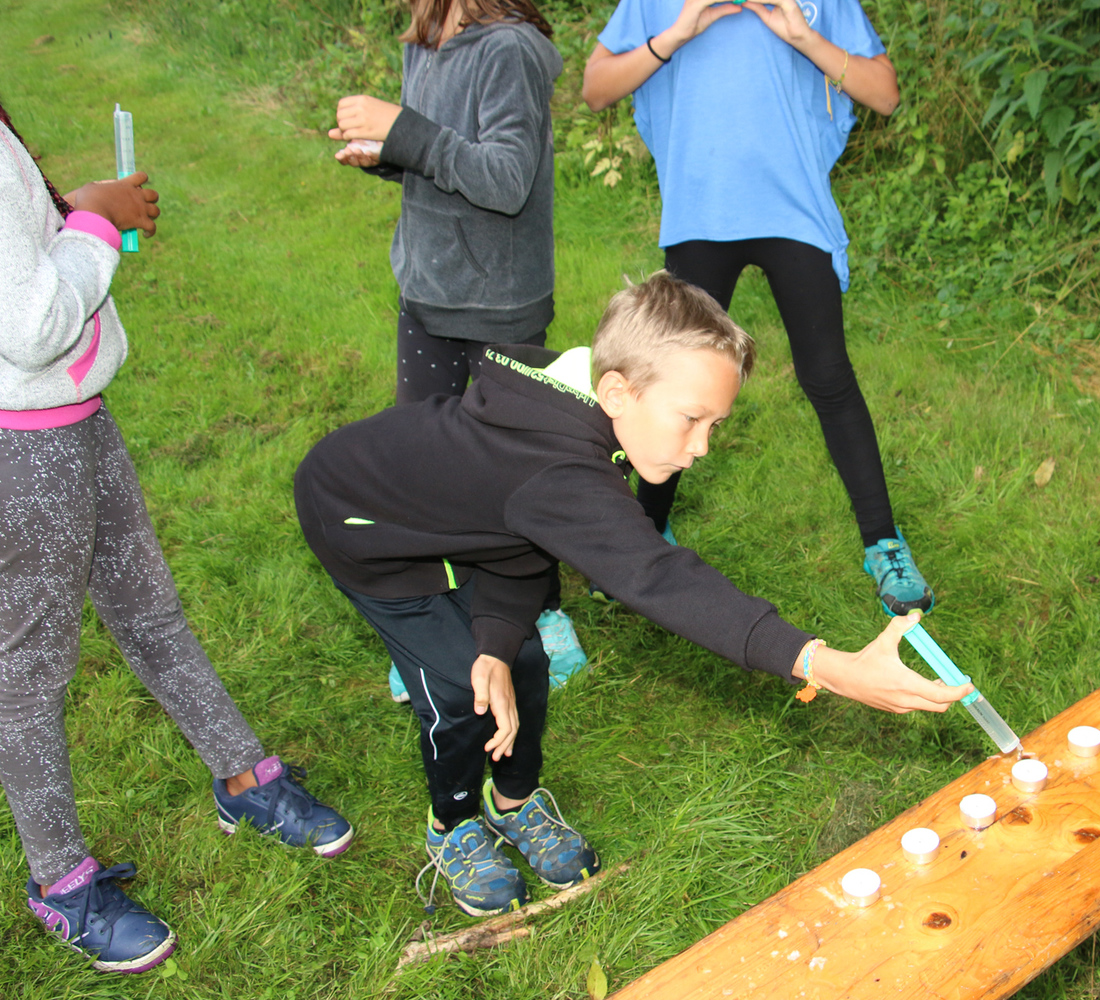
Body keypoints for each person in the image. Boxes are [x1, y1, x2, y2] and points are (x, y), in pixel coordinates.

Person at [294, 273, 969, 916]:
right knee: (454, 687)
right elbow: (657, 577)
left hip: (471, 527)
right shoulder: (556, 466)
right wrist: (824, 664)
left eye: (715, 425)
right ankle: (453, 822)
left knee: (520, 660)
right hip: (368, 533)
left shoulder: (575, 410)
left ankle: (514, 799)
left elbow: (521, 534)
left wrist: (498, 640)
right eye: (691, 419)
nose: (702, 447)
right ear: (618, 392)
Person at [0, 103, 352, 974]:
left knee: (150, 609)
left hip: (74, 415)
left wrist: (76, 210)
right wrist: (92, 221)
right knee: (30, 672)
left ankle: (241, 775)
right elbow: (30, 325)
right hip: (22, 445)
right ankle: (60, 882)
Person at [579, 0, 935, 618]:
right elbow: (595, 89)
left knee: (827, 375)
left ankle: (883, 543)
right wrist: (678, 32)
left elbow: (884, 94)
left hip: (796, 211)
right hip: (700, 210)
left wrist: (803, 35)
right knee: (673, 381)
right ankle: (642, 534)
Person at [326, 0, 587, 696]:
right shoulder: (424, 41)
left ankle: (543, 615)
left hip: (501, 301)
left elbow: (505, 180)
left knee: (514, 470)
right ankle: (437, 623)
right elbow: (439, 156)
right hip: (427, 290)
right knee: (420, 470)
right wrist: (386, 152)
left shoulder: (509, 50)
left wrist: (403, 131)